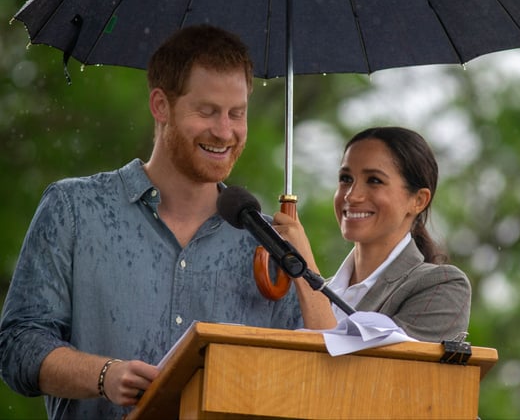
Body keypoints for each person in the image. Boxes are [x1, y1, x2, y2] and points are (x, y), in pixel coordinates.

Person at [0, 24, 302, 420]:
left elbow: (302, 377)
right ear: (160, 105)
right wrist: (104, 374)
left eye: (236, 114)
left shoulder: (271, 243)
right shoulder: (73, 208)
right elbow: (17, 345)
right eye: (207, 111)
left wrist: (302, 259)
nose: (225, 131)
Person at [272, 126, 471, 342]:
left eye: (374, 180)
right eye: (346, 179)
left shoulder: (441, 286)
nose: (352, 195)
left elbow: (350, 371)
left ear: (418, 201)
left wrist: (304, 270)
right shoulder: (319, 291)